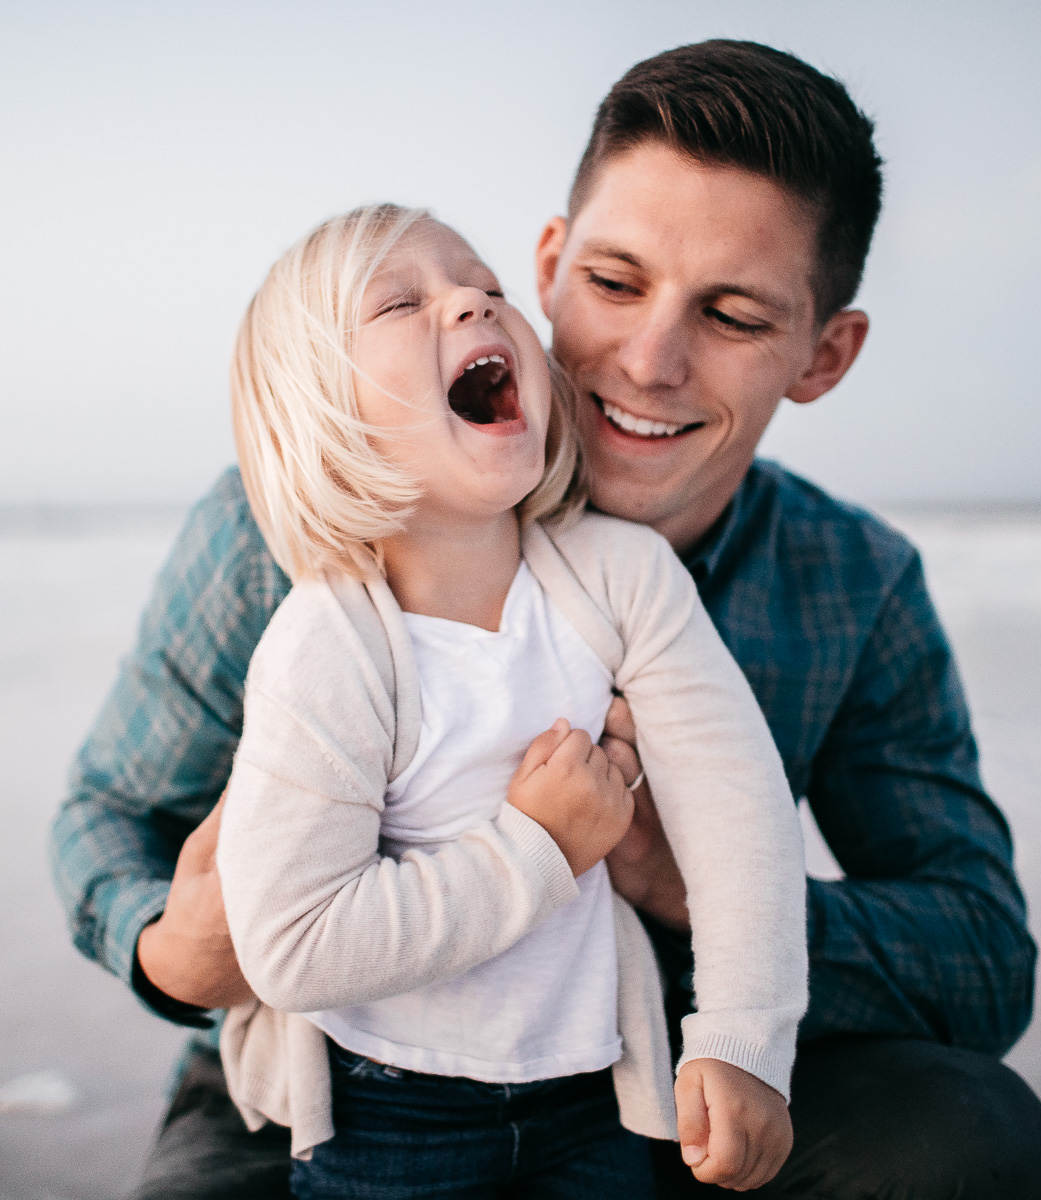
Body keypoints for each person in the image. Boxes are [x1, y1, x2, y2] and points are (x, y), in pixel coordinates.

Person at [50, 38, 1041, 1200]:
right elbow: (110, 813)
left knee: (970, 1142)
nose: (649, 362)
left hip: (668, 1079)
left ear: (822, 356)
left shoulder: (850, 580)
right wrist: (172, 948)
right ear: (549, 264)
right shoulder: (292, 528)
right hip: (329, 1081)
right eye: (616, 283)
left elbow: (985, 963)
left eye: (734, 315)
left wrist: (679, 882)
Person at [211, 203, 806, 1197]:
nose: (472, 307)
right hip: (386, 1114)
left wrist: (745, 1037)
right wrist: (540, 848)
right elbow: (294, 946)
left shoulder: (623, 577)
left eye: (488, 291)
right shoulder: (329, 646)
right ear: (323, 414)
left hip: (597, 1097)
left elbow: (736, 804)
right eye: (403, 302)